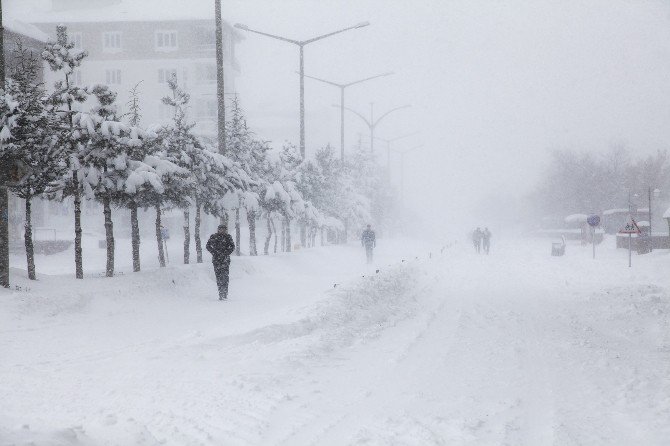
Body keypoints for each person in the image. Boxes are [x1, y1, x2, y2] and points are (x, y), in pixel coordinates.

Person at [206, 224, 235, 300]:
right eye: (220, 229)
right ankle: (220, 293)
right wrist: (214, 252)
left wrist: (226, 253)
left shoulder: (228, 237)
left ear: (225, 230)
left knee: (225, 277)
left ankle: (225, 293)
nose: (222, 230)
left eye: (223, 229)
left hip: (225, 260)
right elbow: (208, 246)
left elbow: (232, 247)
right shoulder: (214, 236)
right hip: (216, 260)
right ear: (218, 229)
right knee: (218, 277)